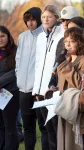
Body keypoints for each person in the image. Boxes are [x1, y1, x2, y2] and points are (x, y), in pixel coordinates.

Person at [15, 7, 49, 150]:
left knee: (44, 127)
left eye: (33, 19)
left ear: (38, 19)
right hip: (23, 90)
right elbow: (18, 60)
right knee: (28, 128)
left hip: (39, 91)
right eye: (27, 20)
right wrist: (19, 77)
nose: (30, 23)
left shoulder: (47, 35)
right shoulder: (22, 37)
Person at [32, 4, 64, 150]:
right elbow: (38, 64)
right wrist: (36, 91)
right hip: (39, 91)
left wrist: (49, 89)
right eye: (43, 17)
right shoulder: (39, 37)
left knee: (55, 130)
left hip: (51, 90)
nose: (46, 19)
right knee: (45, 128)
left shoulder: (62, 35)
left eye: (49, 17)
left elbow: (57, 64)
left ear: (56, 18)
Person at [56, 27, 84, 150]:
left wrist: (64, 65)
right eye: (65, 41)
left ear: (80, 41)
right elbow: (63, 84)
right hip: (63, 107)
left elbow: (80, 84)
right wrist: (54, 89)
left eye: (71, 41)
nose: (67, 44)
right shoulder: (67, 59)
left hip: (74, 109)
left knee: (72, 144)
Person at [0, 26, 19, 150]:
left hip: (10, 93)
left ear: (8, 36)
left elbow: (15, 72)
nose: (0, 39)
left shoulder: (16, 51)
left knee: (9, 126)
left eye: (2, 36)